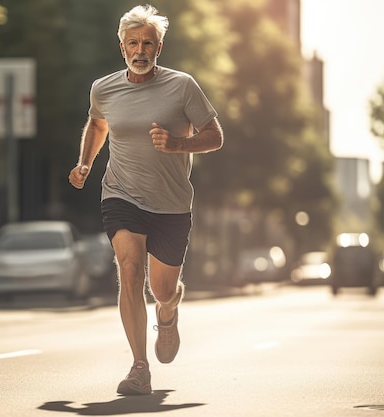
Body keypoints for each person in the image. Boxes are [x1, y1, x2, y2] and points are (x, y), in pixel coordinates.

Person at [68, 4, 223, 395]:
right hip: (120, 193)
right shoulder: (103, 88)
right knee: (129, 269)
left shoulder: (182, 86)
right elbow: (99, 122)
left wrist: (178, 144)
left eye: (148, 43)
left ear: (159, 47)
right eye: (133, 43)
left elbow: (215, 135)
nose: (140, 50)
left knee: (162, 289)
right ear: (121, 47)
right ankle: (139, 366)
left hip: (171, 204)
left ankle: (168, 313)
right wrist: (85, 163)